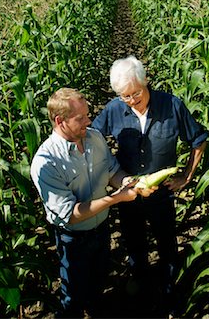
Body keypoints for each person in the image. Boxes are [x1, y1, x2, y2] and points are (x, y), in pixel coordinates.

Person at [92, 56, 208, 312]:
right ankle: (141, 291)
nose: (132, 100)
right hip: (128, 192)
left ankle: (170, 292)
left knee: (167, 244)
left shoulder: (171, 105)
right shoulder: (113, 109)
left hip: (161, 194)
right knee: (134, 244)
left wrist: (186, 176)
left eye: (136, 93)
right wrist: (110, 176)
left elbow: (198, 139)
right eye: (125, 96)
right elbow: (92, 140)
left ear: (146, 81)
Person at [30, 87, 154, 319]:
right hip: (73, 239)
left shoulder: (94, 137)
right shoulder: (47, 163)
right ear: (60, 121)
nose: (89, 120)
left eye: (88, 114)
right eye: (81, 118)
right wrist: (117, 197)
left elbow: (111, 171)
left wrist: (130, 182)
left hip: (101, 229)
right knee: (73, 295)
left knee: (98, 281)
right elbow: (71, 214)